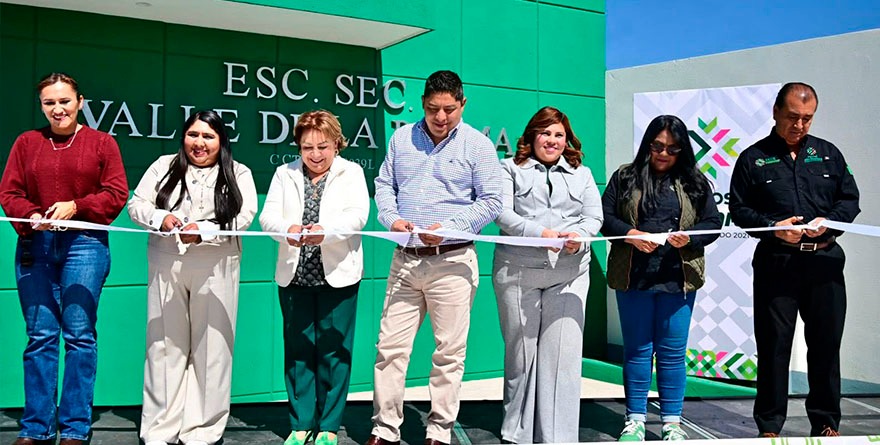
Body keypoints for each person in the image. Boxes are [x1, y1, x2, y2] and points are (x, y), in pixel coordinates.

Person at [368, 70, 503, 445]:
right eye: (432, 109)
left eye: (448, 109)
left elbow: (492, 200)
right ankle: (384, 429)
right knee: (389, 348)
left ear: (462, 104)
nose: (440, 118)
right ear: (422, 104)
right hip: (405, 260)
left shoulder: (478, 146)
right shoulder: (400, 138)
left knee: (448, 352)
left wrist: (451, 227)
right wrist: (391, 218)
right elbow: (384, 185)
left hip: (453, 261)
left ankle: (439, 432)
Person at [0, 72, 128, 445]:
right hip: (35, 246)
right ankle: (36, 428)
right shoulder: (27, 143)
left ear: (80, 101)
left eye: (64, 101)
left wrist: (78, 206)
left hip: (85, 245)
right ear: (42, 106)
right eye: (49, 103)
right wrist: (31, 216)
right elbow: (10, 192)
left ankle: (74, 428)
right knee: (39, 336)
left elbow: (115, 194)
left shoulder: (102, 143)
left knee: (79, 336)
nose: (58, 109)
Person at [729, 83, 859, 438]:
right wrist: (773, 228)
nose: (799, 125)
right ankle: (769, 426)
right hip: (776, 264)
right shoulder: (753, 158)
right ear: (775, 111)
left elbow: (849, 200)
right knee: (773, 346)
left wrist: (828, 222)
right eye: (792, 117)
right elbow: (739, 209)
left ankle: (826, 422)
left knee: (826, 345)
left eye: (807, 118)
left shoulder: (829, 154)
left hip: (825, 263)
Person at [128, 110, 258, 445]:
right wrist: (161, 217)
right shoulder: (163, 165)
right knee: (164, 345)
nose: (199, 143)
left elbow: (245, 215)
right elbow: (136, 204)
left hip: (217, 263)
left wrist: (206, 230)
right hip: (166, 260)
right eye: (193, 135)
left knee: (212, 348)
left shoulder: (238, 172)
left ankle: (202, 430)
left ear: (221, 141)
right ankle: (159, 429)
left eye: (208, 136)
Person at [601, 115, 722, 441]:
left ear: (682, 149)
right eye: (657, 146)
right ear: (648, 144)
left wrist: (692, 236)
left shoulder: (695, 182)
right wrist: (628, 234)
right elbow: (605, 218)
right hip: (634, 278)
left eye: (672, 148)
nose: (663, 154)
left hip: (677, 279)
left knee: (671, 352)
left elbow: (714, 221)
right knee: (638, 350)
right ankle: (635, 420)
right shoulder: (625, 177)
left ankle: (672, 423)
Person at [492, 106, 603, 443]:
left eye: (559, 135)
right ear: (532, 135)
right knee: (521, 357)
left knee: (562, 361)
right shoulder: (509, 168)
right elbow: (502, 213)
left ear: (566, 140)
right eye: (546, 133)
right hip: (517, 273)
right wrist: (540, 233)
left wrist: (579, 237)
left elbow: (594, 218)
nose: (552, 140)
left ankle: (557, 438)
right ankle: (517, 435)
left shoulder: (582, 174)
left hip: (568, 275)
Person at [259, 110, 369, 445]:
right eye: (307, 147)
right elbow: (268, 218)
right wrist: (287, 230)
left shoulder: (352, 173)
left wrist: (327, 232)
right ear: (298, 146)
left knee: (334, 353)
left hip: (338, 276)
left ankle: (329, 427)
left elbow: (358, 216)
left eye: (323, 146)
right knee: (298, 351)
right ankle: (300, 423)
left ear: (337, 144)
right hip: (295, 277)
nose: (316, 154)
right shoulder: (284, 173)